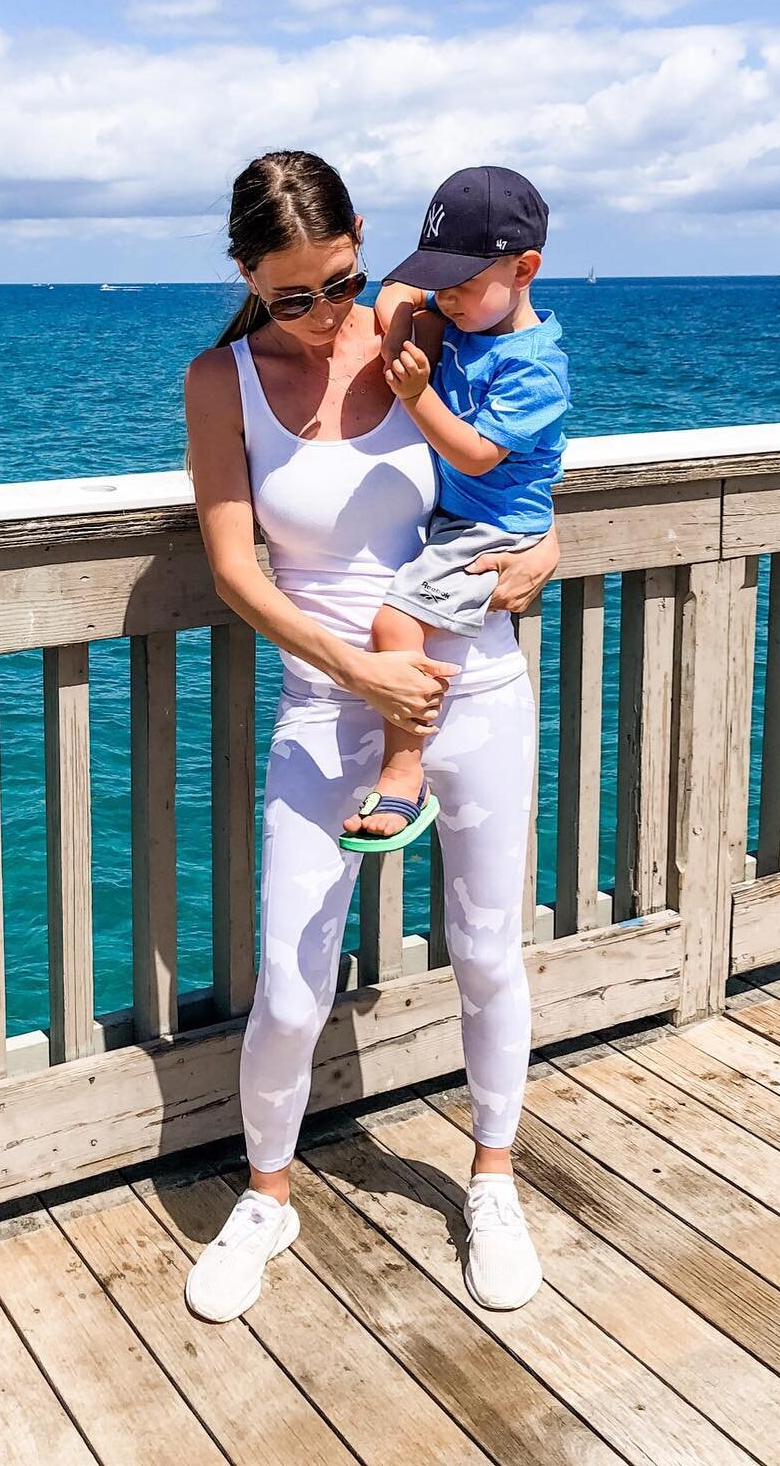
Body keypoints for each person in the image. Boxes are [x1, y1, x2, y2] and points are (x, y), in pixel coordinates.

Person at [181, 150, 558, 1326]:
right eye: (290, 294)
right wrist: (355, 668)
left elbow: (522, 468)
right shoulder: (221, 378)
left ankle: (493, 1181)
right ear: (246, 275)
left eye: (339, 280)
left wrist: (548, 551)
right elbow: (235, 565)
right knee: (291, 989)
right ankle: (269, 1195)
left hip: (475, 689)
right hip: (330, 703)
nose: (322, 313)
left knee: (490, 951)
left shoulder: (421, 326)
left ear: (361, 242)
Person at [341, 165, 569, 851]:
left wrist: (416, 397)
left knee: (393, 622)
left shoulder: (534, 366)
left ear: (525, 268)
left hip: (490, 529)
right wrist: (417, 309)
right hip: (466, 522)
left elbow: (475, 455)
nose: (449, 298)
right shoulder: (470, 321)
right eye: (442, 281)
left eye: (465, 284)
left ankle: (405, 768)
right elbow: (396, 294)